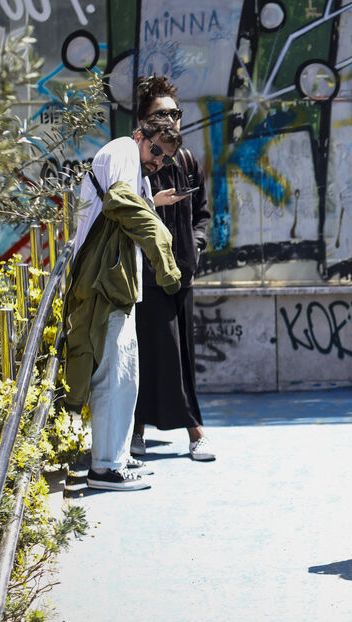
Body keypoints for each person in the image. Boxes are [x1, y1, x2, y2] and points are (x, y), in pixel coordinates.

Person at [63, 116, 183, 490]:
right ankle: (105, 467)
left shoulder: (132, 160)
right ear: (140, 136)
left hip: (114, 281)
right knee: (114, 375)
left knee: (124, 373)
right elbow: (118, 200)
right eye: (157, 151)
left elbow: (123, 203)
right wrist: (164, 255)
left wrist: (149, 200)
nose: (158, 161)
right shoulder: (123, 150)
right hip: (102, 282)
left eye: (165, 159)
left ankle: (114, 456)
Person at [130, 75, 215, 462]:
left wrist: (195, 247)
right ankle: (190, 430)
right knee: (153, 350)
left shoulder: (185, 160)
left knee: (178, 352)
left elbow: (202, 215)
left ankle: (143, 430)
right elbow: (119, 210)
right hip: (146, 275)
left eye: (176, 113)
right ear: (144, 124)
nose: (171, 120)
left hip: (183, 273)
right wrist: (152, 202)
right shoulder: (134, 162)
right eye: (161, 114)